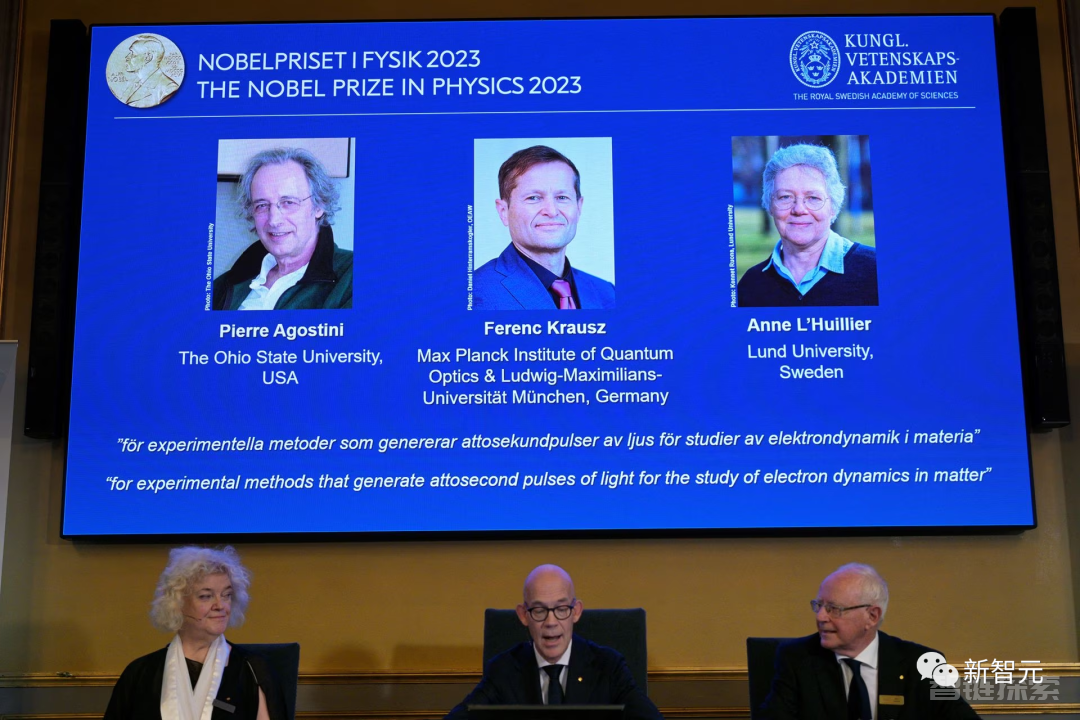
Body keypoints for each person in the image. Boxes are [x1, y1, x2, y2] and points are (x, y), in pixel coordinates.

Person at [762, 563, 980, 719]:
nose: (821, 617)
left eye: (834, 609)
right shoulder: (797, 659)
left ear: (872, 616)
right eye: (818, 605)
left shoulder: (921, 664)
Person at [445, 564, 662, 719]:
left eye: (561, 609)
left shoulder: (608, 667)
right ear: (523, 615)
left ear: (576, 612)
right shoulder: (503, 670)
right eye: (539, 610)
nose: (551, 622)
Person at [104, 546, 288, 720]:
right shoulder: (140, 674)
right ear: (177, 603)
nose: (220, 605)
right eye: (206, 596)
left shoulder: (253, 671)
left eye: (227, 595)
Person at [474, 146, 616, 310]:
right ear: (503, 211)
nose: (552, 211)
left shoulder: (608, 293)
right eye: (533, 198)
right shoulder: (473, 294)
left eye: (562, 197)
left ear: (579, 207)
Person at [737, 144, 878, 306]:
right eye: (785, 197)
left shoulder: (876, 271)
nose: (799, 209)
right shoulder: (750, 286)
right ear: (770, 205)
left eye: (813, 198)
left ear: (833, 206)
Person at [213, 147, 353, 310]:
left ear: (318, 206)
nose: (274, 220)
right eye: (262, 205)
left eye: (288, 202)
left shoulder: (352, 277)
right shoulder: (223, 286)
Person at [122, 35, 180, 108]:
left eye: (132, 53)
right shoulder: (134, 83)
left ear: (148, 57)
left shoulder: (169, 89)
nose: (127, 57)